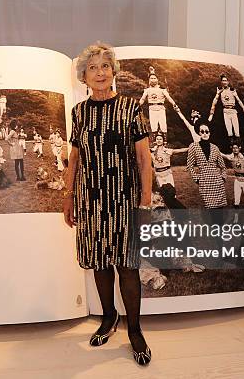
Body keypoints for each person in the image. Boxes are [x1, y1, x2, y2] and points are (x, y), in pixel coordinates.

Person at [63, 42, 153, 365]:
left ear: (113, 71)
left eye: (105, 66)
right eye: (92, 68)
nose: (100, 72)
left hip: (125, 201)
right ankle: (108, 317)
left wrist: (145, 199)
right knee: (99, 264)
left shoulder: (130, 108)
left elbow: (144, 159)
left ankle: (135, 330)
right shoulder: (79, 113)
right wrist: (68, 195)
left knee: (127, 268)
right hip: (90, 202)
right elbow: (74, 157)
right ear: (83, 77)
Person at [186, 122, 227, 209]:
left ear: (209, 133)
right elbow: (190, 165)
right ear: (199, 133)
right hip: (204, 182)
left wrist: (223, 178)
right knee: (211, 209)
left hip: (217, 182)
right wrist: (197, 179)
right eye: (202, 131)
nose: (205, 134)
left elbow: (223, 166)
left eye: (207, 131)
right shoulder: (193, 146)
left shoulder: (215, 148)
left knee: (220, 210)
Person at [208, 74, 244, 144]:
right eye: (223, 80)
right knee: (229, 133)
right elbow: (214, 102)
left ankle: (240, 149)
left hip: (233, 111)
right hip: (226, 112)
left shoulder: (232, 90)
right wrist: (211, 113)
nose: (224, 82)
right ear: (221, 82)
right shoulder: (220, 91)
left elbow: (239, 101)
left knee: (237, 132)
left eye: (226, 80)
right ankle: (232, 149)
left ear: (228, 82)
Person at [138, 66, 177, 133]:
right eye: (151, 78)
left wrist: (174, 104)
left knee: (163, 126)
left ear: (157, 79)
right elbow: (142, 99)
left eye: (154, 78)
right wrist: (137, 106)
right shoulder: (147, 90)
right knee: (154, 127)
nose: (152, 80)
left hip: (161, 108)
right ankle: (155, 142)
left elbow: (169, 98)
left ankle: (164, 142)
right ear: (149, 80)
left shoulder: (163, 90)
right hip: (152, 108)